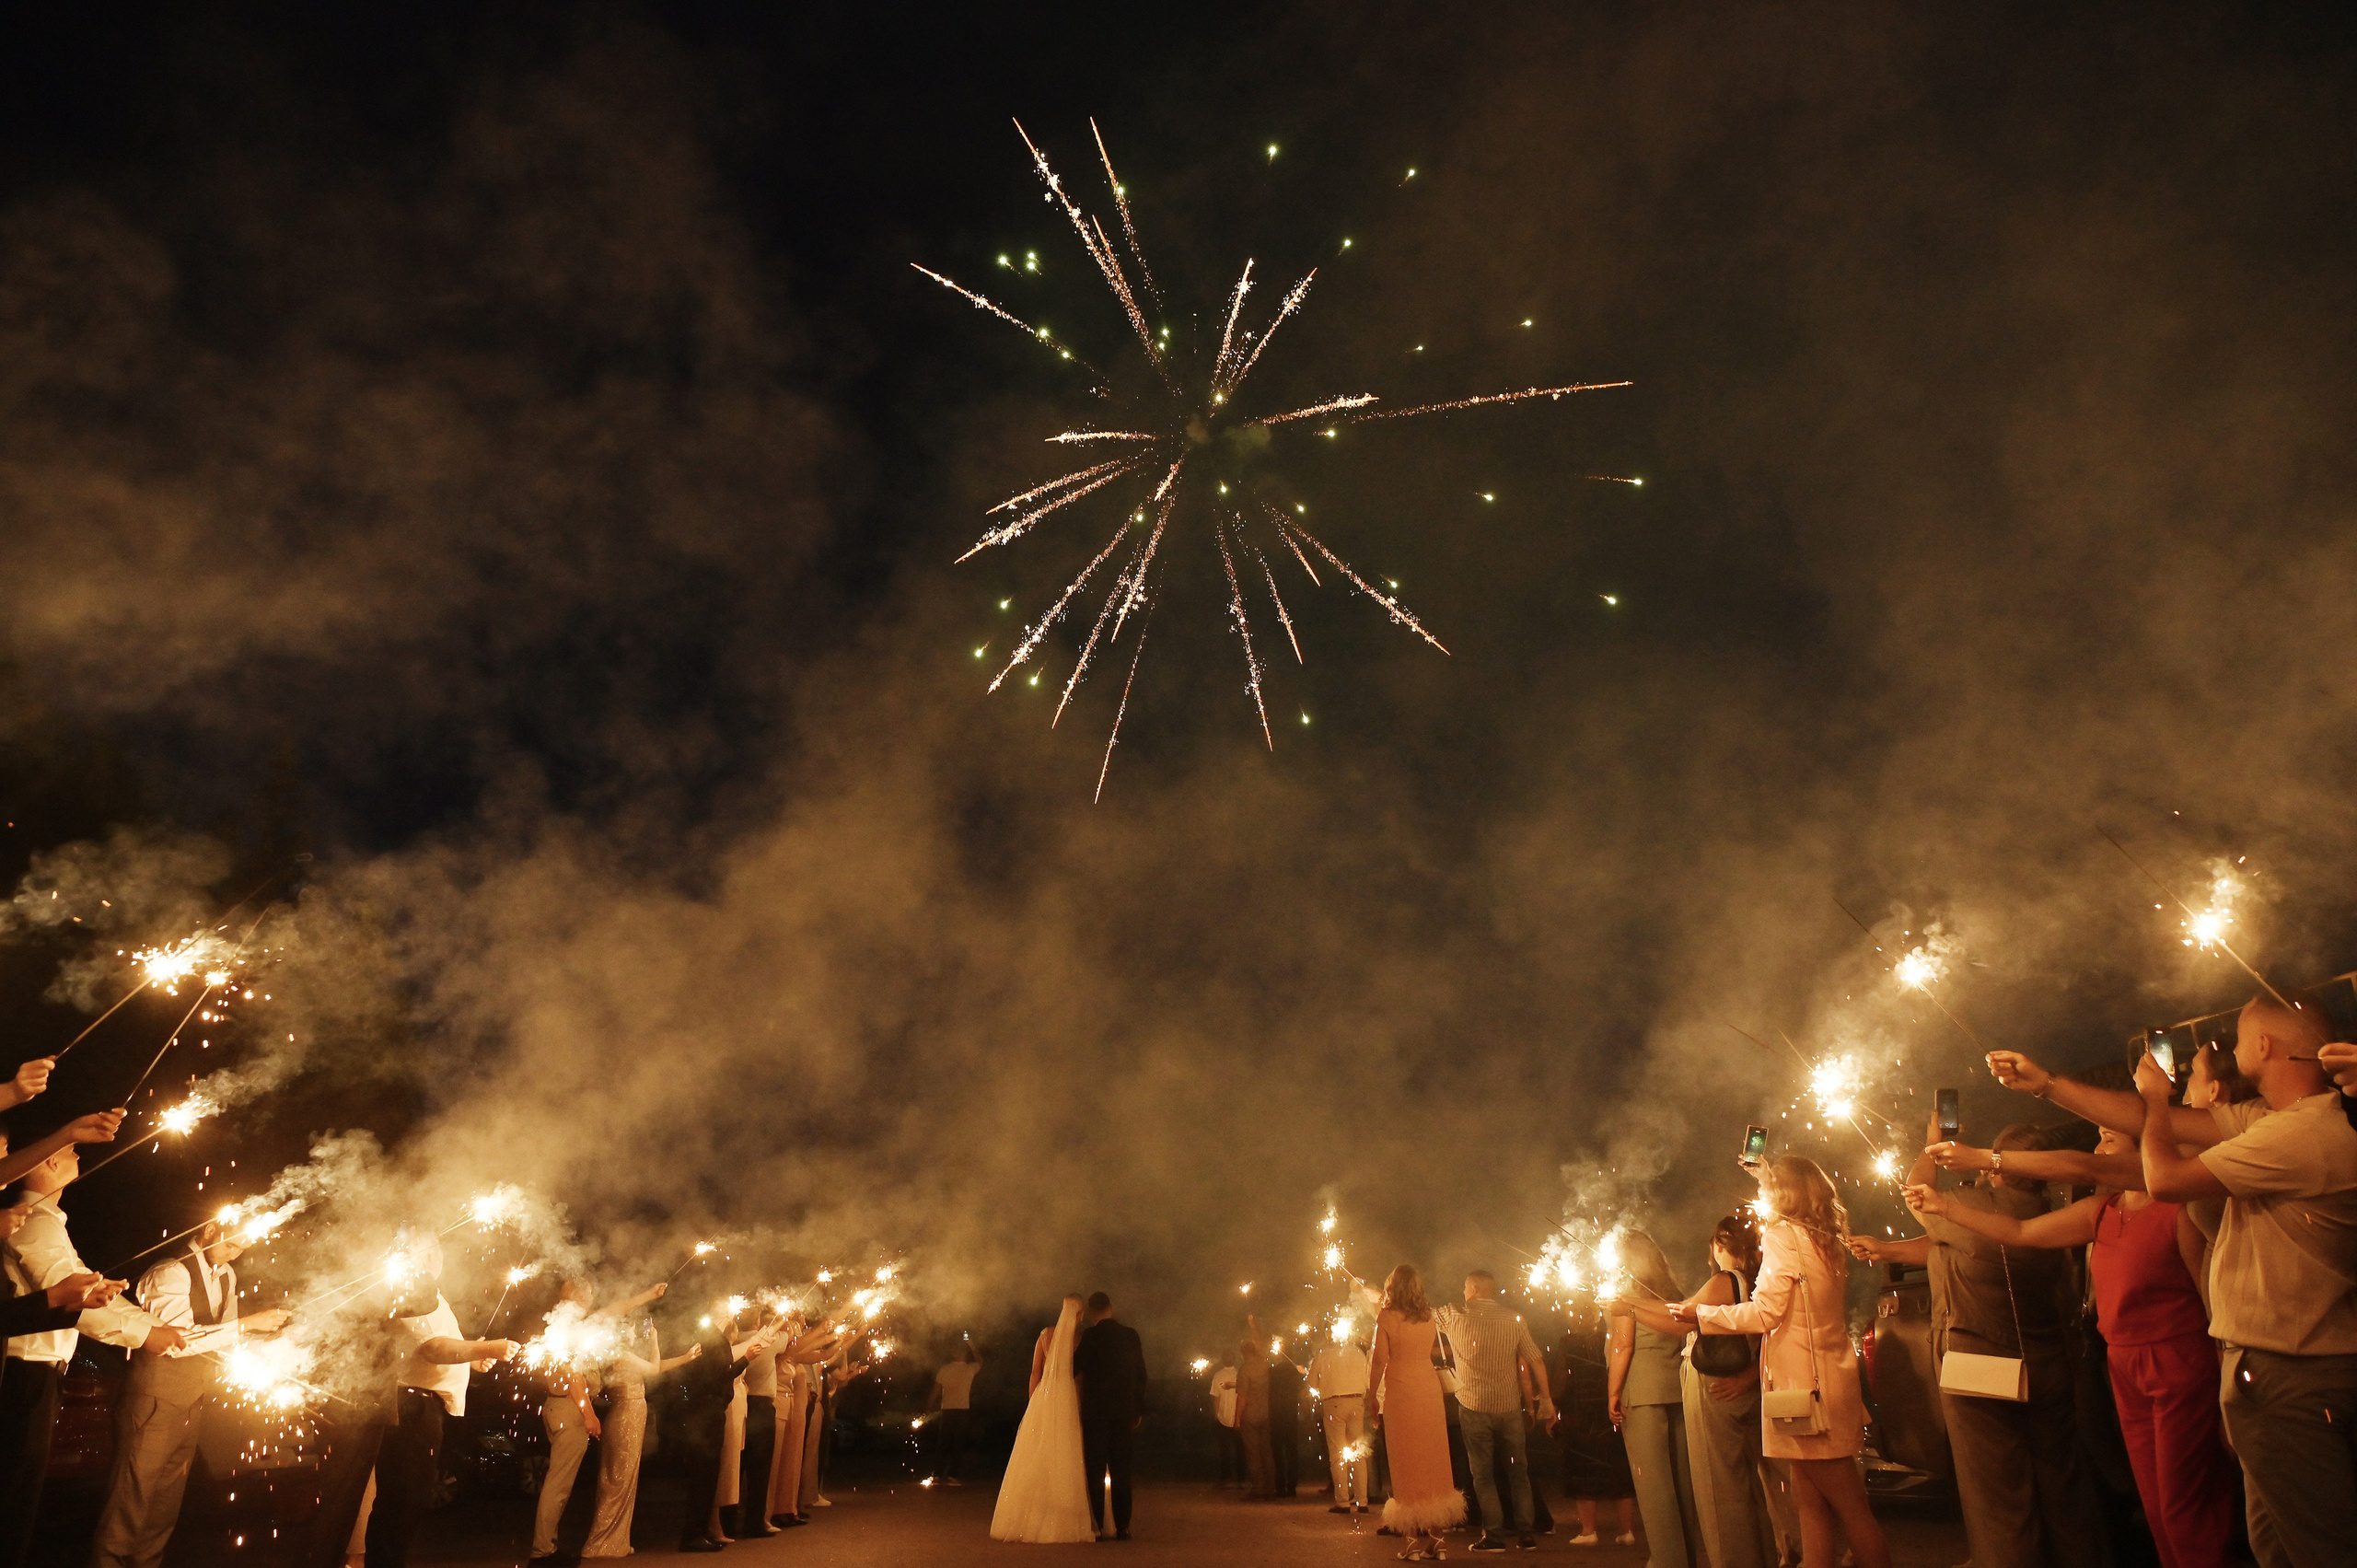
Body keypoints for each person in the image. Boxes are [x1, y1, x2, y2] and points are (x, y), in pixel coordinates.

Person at [1992, 996, 2357, 1568]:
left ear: (2265, 1046)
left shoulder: (2303, 1133)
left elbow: (2162, 1177)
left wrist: (2158, 1099)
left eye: (2241, 1036)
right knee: (2272, 1545)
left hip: (2293, 1370)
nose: (2231, 1048)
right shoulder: (2268, 1121)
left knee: (2317, 1547)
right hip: (2261, 1363)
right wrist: (2048, 1085)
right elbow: (2141, 1122)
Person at [1905, 1124, 2235, 1568]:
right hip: (2118, 1363)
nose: (2097, 1151)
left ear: (2145, 1150)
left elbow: (2210, 1304)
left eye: (2110, 1140)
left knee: (2183, 1504)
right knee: (2154, 1504)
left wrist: (2227, 1381)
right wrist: (1945, 1206)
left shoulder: (2179, 1212)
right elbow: (2020, 1231)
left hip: (2176, 1361)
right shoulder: (2099, 1211)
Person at [1852, 1119, 2108, 1568]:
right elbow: (1954, 1245)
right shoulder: (2050, 1213)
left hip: (1981, 1368)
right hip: (2048, 1361)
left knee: (1997, 1495)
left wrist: (1932, 1145)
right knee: (2063, 1485)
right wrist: (1887, 1250)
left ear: (1998, 1164)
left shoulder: (1973, 1204)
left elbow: (1916, 1193)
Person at [1656, 1156, 1890, 1568]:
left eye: (1771, 1188)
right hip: (1827, 1384)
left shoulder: (1784, 1237)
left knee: (1851, 1509)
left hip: (1805, 1395)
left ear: (1786, 1195)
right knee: (1808, 1504)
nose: (1763, 1196)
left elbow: (1766, 1312)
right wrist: (1766, 1175)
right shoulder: (1825, 1239)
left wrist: (1702, 1314)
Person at [1, 1139, 184, 1568]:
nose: (79, 1156)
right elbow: (73, 1300)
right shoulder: (33, 1219)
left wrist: (153, 1326)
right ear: (49, 1160)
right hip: (25, 1373)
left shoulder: (46, 1221)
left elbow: (89, 1287)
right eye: (71, 1150)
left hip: (34, 1373)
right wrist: (144, 1335)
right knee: (10, 1506)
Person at [90, 1218, 293, 1568]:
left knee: (163, 1510)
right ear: (210, 1230)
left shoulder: (227, 1275)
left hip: (191, 1401)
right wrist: (246, 1324)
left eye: (242, 1247)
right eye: (230, 1244)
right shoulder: (170, 1272)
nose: (234, 1254)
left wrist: (265, 1341)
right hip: (154, 1400)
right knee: (130, 1504)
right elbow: (176, 1340)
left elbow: (223, 1339)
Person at [368, 1232, 520, 1567]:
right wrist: (489, 1347)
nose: (438, 1257)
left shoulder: (430, 1295)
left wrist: (473, 1359)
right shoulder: (411, 1290)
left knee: (407, 1503)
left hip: (421, 1408)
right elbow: (433, 1348)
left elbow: (441, 1346)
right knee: (402, 1502)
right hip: (412, 1408)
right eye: (430, 1251)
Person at [1672, 1214, 1784, 1568]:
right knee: (1752, 1487)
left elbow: (1678, 1320)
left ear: (1720, 1245)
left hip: (1717, 1389)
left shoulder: (1726, 1279)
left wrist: (1630, 1305)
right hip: (1746, 1389)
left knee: (1720, 1490)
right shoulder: (1759, 1280)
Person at [531, 1277, 667, 1561]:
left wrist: (648, 1294)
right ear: (581, 1296)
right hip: (570, 1408)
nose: (594, 1297)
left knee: (560, 1483)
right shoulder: (571, 1328)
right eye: (591, 1292)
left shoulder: (574, 1324)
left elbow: (616, 1310)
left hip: (563, 1407)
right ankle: (542, 1551)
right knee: (558, 1484)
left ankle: (547, 1547)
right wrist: (589, 1414)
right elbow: (574, 1376)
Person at [1434, 1269, 1557, 1551]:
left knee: (1483, 1475)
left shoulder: (1454, 1315)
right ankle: (1526, 1533)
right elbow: (1536, 1359)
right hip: (1509, 1408)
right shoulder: (1514, 1319)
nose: (1463, 1292)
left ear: (1474, 1288)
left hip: (1473, 1406)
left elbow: (1416, 1312)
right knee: (1518, 1472)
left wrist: (1376, 1296)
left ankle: (1494, 1535)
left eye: (1466, 1287)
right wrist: (1546, 1400)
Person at [1608, 1234, 1701, 1568]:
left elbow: (1623, 1345)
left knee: (1654, 1485)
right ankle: (1685, 1557)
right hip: (1677, 1390)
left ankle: (1666, 1560)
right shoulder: (1671, 1292)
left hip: (1642, 1393)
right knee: (1682, 1483)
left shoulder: (1625, 1296)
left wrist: (1613, 1393)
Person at [1365, 1262, 1467, 1560]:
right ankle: (1438, 1539)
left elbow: (1379, 1360)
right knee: (1433, 1458)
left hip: (1401, 1390)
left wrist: (1371, 1396)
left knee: (1405, 1461)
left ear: (1392, 1288)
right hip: (1428, 1389)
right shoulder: (1428, 1317)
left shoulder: (1386, 1317)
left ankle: (1411, 1543)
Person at [581, 1319, 699, 1559]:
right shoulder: (622, 1354)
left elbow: (654, 1366)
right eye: (633, 1328)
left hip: (628, 1416)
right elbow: (653, 1369)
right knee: (618, 1480)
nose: (636, 1333)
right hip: (626, 1418)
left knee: (622, 1479)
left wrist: (686, 1358)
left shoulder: (621, 1355)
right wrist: (654, 1340)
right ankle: (601, 1543)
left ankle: (616, 1540)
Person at [990, 1294, 1095, 1542]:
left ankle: (1031, 1513)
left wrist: (1033, 1402)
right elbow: (1081, 1378)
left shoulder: (1046, 1335)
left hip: (1045, 1395)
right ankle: (1065, 1515)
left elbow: (1035, 1372)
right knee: (1065, 1451)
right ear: (1080, 1314)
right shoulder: (1080, 1339)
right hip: (1068, 1397)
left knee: (1037, 1450)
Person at [1549, 1306, 1638, 1548]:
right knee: (1619, 1469)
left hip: (1579, 1415)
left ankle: (1589, 1531)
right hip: (1610, 1410)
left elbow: (1561, 1379)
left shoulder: (1568, 1342)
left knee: (1583, 1469)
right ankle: (1627, 1531)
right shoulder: (1610, 1337)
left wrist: (1552, 1406)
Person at [1074, 1291, 1148, 1539]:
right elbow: (1141, 1374)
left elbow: (1074, 1367)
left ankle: (1098, 1526)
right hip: (1124, 1411)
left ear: (1091, 1312)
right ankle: (1123, 1525)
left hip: (1096, 1413)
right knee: (1121, 1469)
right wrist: (1138, 1409)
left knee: (1095, 1469)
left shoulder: (1091, 1336)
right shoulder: (1131, 1335)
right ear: (1111, 1307)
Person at [1309, 1330, 1371, 1513]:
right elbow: (1367, 1380)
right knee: (1358, 1453)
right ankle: (1362, 1501)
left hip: (1334, 1403)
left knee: (1337, 1453)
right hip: (1357, 1402)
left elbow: (1312, 1382)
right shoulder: (1358, 1352)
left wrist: (1325, 1384)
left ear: (1331, 1335)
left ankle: (1343, 1501)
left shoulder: (1323, 1352)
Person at [926, 1341, 981, 1485]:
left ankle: (937, 1475)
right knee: (958, 1443)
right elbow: (980, 1362)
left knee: (943, 1443)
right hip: (962, 1410)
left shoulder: (945, 1369)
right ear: (964, 1354)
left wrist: (928, 1406)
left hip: (947, 1410)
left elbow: (935, 1391)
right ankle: (952, 1475)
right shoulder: (969, 1369)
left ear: (953, 1354)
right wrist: (972, 1344)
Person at [1234, 1336, 1274, 1499]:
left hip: (1250, 1416)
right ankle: (1270, 1488)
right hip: (1266, 1413)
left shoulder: (1245, 1370)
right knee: (1266, 1451)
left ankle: (1258, 1488)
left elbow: (1242, 1397)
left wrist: (1237, 1417)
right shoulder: (1264, 1365)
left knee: (1253, 1453)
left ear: (1243, 1352)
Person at [1268, 1337, 1303, 1499]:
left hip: (1276, 1414)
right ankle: (1292, 1486)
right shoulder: (1295, 1372)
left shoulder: (1273, 1371)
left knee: (1277, 1452)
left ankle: (1280, 1486)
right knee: (1291, 1451)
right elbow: (1301, 1394)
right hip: (1290, 1414)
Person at [1210, 1360, 1242, 1486]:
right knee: (1240, 1450)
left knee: (1224, 1450)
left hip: (1223, 1417)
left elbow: (1216, 1397)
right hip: (1239, 1418)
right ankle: (1241, 1478)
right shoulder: (1239, 1374)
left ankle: (1225, 1477)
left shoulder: (1218, 1375)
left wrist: (1215, 1414)